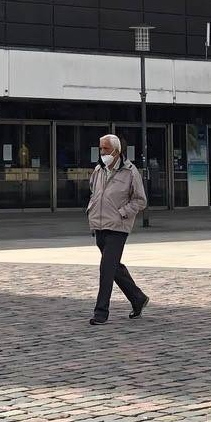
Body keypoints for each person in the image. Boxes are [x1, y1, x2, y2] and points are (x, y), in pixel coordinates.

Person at [87, 133, 149, 325]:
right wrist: (91, 211)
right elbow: (94, 193)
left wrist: (122, 212)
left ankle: (101, 312)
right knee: (114, 267)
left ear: (116, 150)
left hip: (118, 227)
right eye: (100, 148)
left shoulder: (131, 172)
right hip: (99, 225)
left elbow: (140, 200)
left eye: (105, 148)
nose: (102, 152)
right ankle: (138, 298)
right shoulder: (98, 170)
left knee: (106, 268)